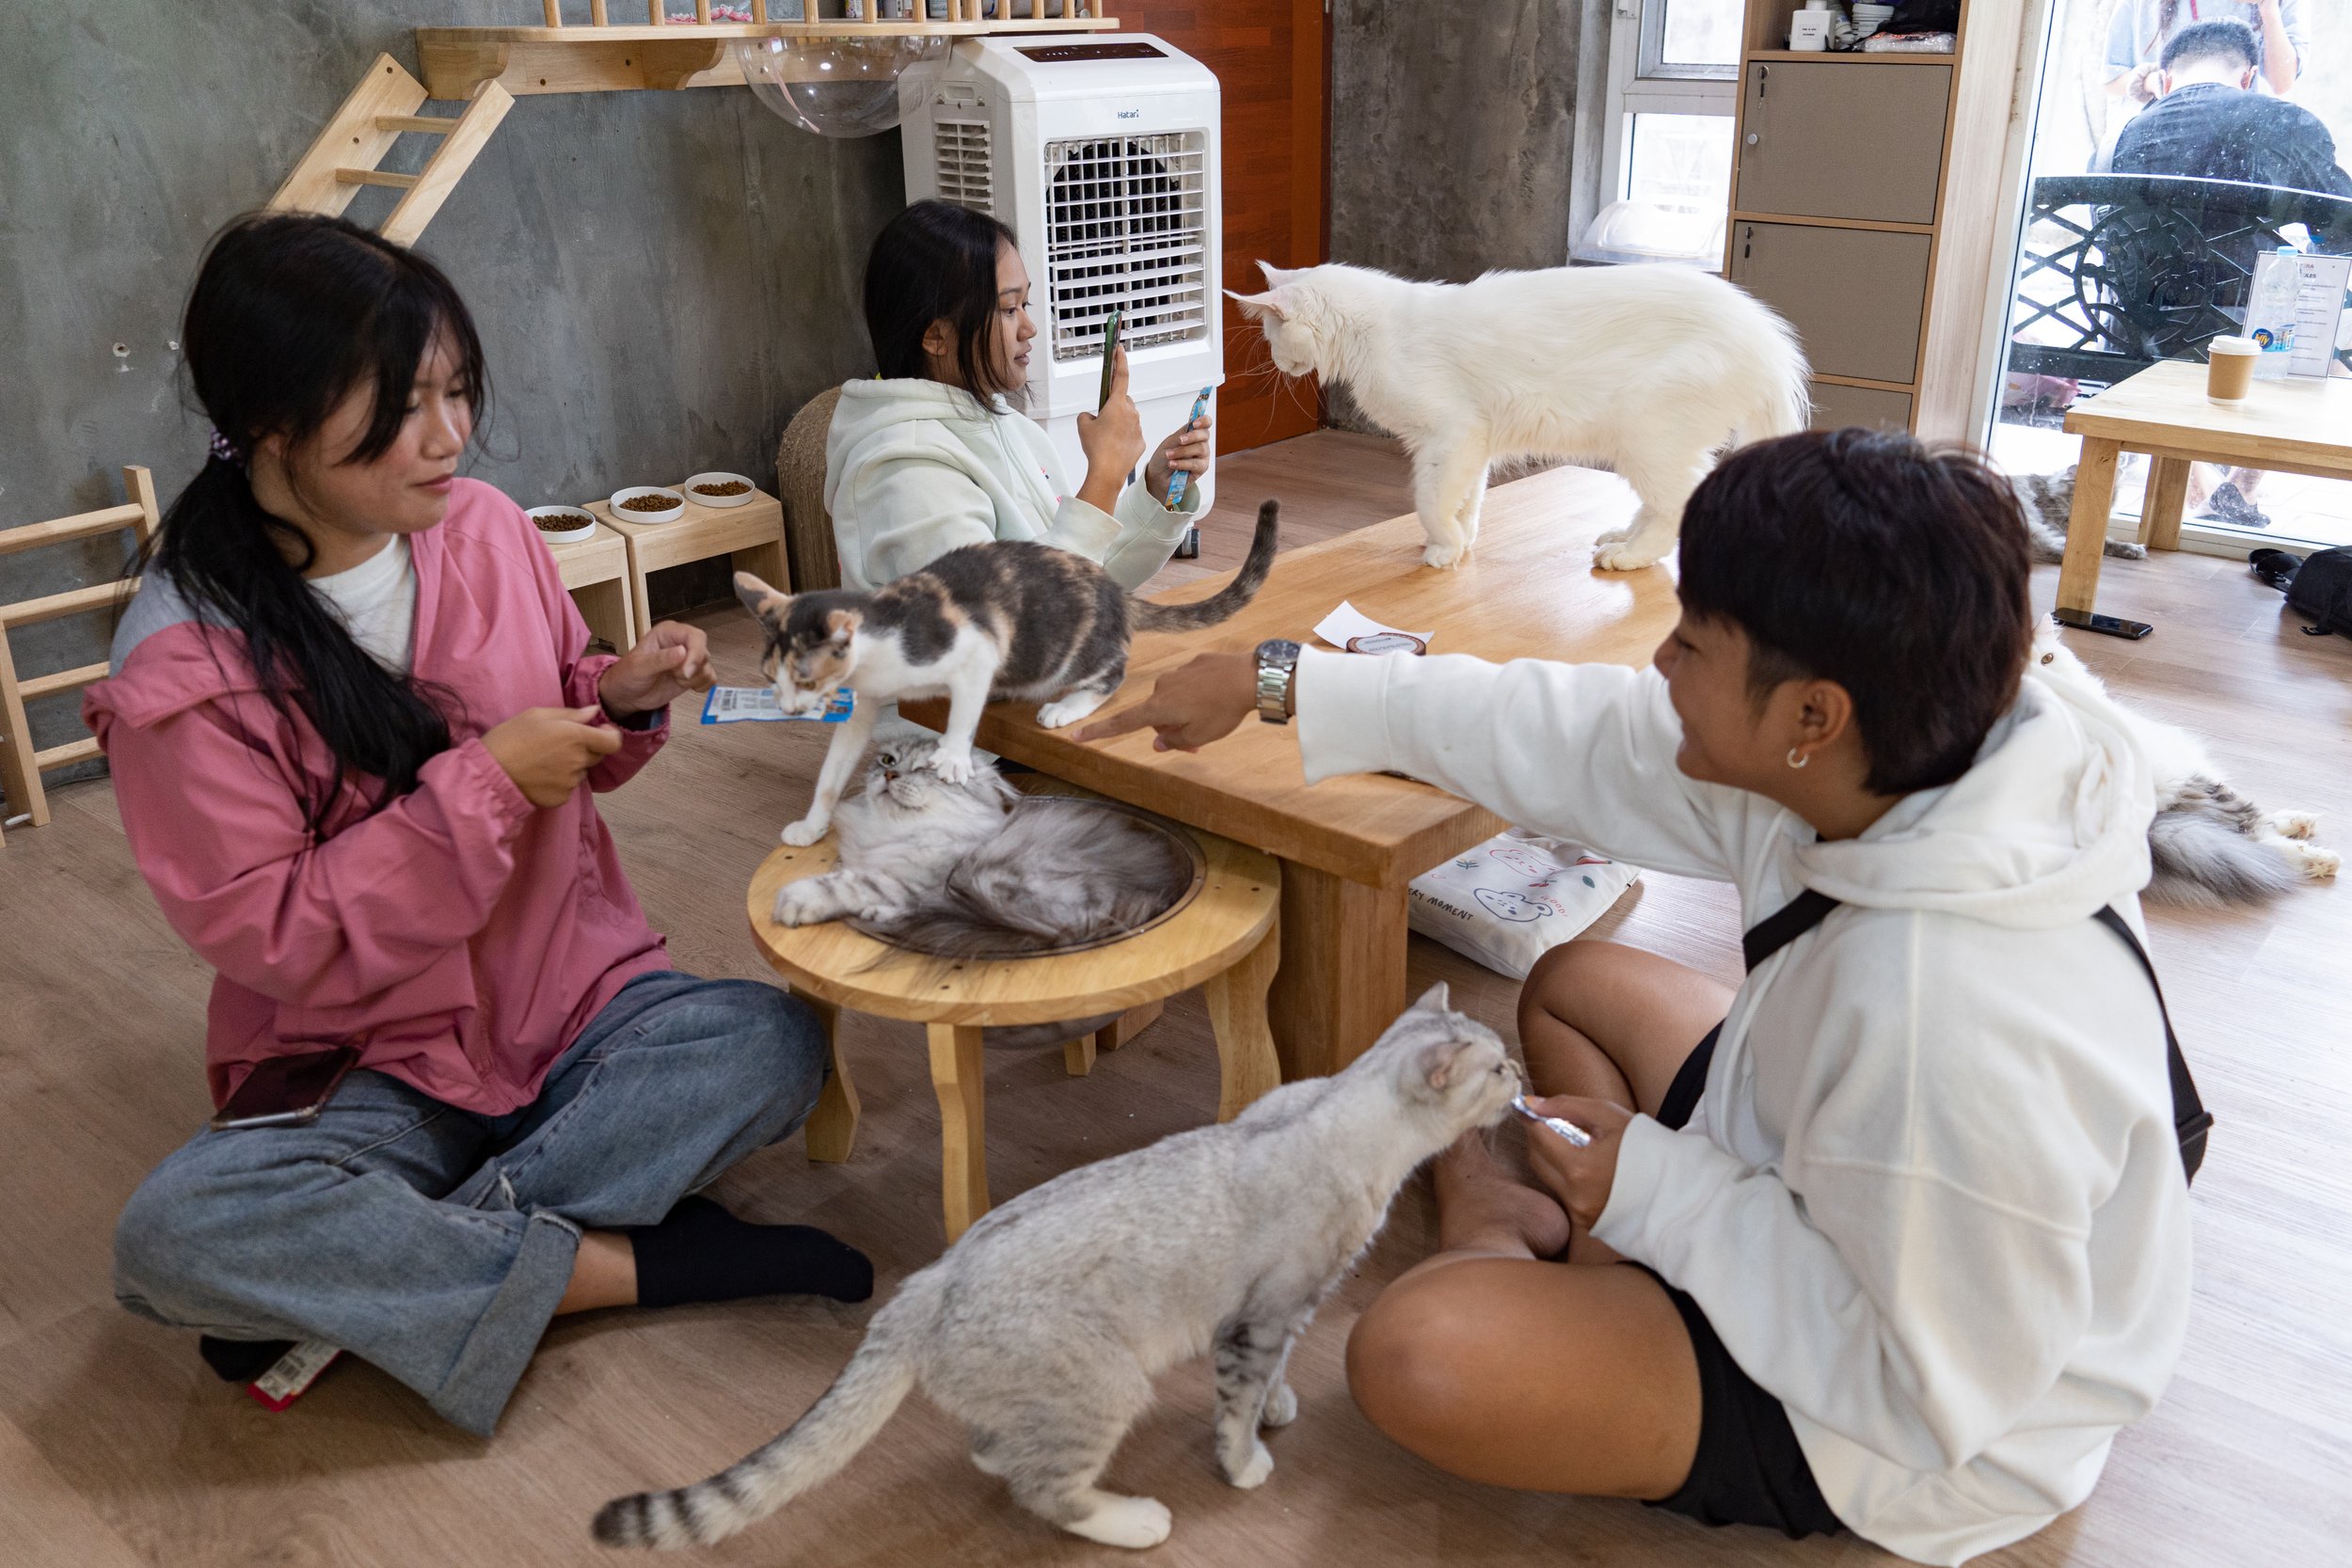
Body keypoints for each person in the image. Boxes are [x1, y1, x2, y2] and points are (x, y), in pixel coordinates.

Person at [1082, 430, 2193, 1564]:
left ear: (1813, 715)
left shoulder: (1949, 1019)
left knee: (1416, 1355)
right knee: (1571, 984)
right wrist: (1281, 678)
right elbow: (1577, 734)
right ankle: (1577, 1246)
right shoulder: (1920, 746)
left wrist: (1657, 1190)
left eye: (1694, 643)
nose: (1661, 663)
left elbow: (1929, 1382)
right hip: (1826, 1164)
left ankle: (1509, 1228)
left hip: (1917, 1418)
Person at [87, 213, 872, 1438]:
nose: (450, 435)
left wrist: (608, 695)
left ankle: (381, 1269)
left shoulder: (491, 529)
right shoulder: (180, 663)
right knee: (178, 1231)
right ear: (274, 420)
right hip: (366, 1053)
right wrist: (490, 783)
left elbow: (555, 698)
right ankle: (615, 1264)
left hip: (570, 994)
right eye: (403, 405)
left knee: (773, 1040)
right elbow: (278, 937)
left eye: (457, 390)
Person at [825, 199, 1212, 594]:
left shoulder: (1008, 427)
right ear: (937, 337)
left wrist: (1155, 490)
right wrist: (1105, 475)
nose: (1029, 328)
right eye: (1009, 309)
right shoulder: (904, 473)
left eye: (1024, 304)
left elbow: (1089, 570)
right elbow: (1004, 623)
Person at [2110, 19, 2352, 528]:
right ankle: (2235, 492)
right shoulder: (2283, 120)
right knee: (2313, 330)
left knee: (2184, 338)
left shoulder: (2129, 134)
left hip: (2135, 328)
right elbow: (2342, 230)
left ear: (2168, 78)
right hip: (2245, 332)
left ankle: (2207, 493)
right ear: (2248, 76)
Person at [2105, 0, 2306, 102]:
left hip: (2242, 144)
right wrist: (2151, 82)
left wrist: (2268, 7)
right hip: (2159, 142)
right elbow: (2110, 79)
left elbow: (2281, 82)